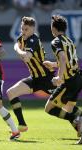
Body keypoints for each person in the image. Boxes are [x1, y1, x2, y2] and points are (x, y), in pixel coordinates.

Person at [6, 16, 56, 132]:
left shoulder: (33, 40)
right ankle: (22, 125)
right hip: (34, 78)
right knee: (11, 93)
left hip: (46, 78)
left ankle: (76, 120)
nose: (23, 32)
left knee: (63, 103)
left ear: (33, 29)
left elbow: (27, 58)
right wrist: (18, 47)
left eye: (26, 29)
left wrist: (16, 49)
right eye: (22, 29)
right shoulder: (21, 39)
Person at [43, 15, 82, 144]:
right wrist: (53, 64)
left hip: (68, 80)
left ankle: (79, 120)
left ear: (53, 28)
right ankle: (80, 125)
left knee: (49, 108)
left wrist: (59, 77)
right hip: (77, 78)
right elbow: (70, 60)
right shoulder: (69, 40)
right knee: (69, 109)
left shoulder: (56, 42)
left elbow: (64, 59)